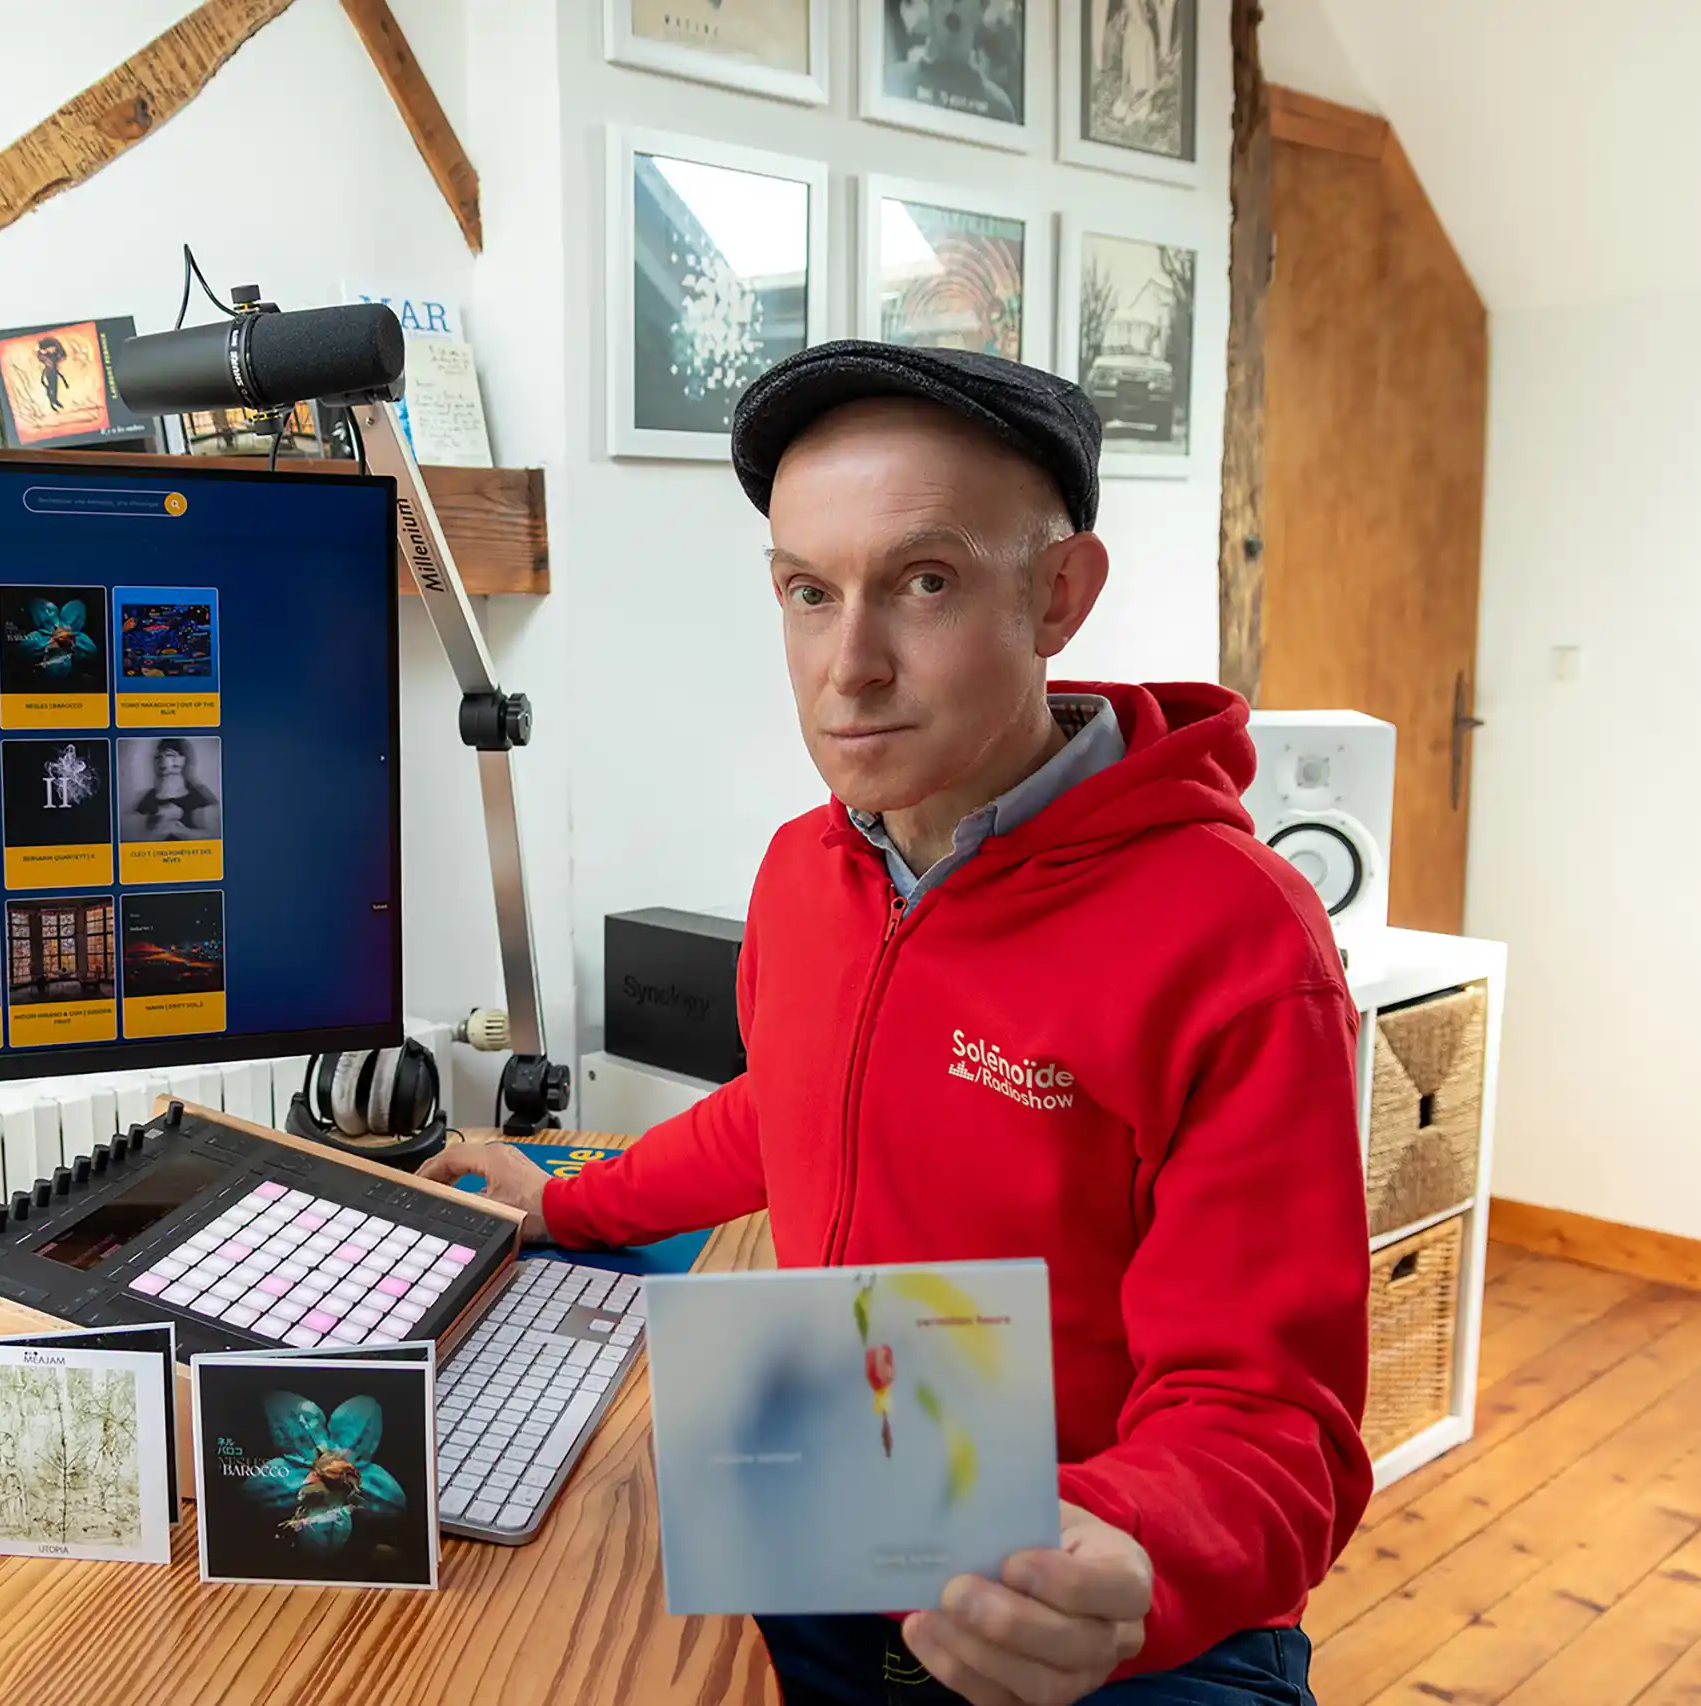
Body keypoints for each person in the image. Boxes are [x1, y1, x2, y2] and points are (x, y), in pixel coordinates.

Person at [423, 342, 1370, 1706]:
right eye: (809, 592)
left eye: (925, 582)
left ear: (1059, 595)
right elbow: (787, 1106)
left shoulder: (1238, 938)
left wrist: (1130, 1547)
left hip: (1098, 1603)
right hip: (835, 1518)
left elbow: (1273, 1419)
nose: (848, 668)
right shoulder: (805, 870)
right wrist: (565, 1201)